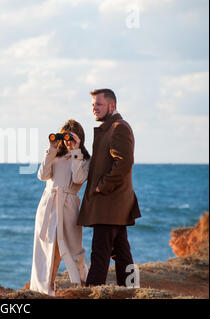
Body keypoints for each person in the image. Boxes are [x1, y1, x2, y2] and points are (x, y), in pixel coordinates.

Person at [78, 88, 141, 287]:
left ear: (111, 106)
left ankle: (92, 292)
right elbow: (100, 163)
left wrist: (100, 187)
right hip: (113, 204)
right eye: (93, 105)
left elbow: (123, 163)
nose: (94, 109)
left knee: (100, 254)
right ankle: (132, 289)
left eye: (98, 104)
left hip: (109, 203)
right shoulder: (108, 127)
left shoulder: (118, 127)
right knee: (122, 253)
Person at [30, 119, 91, 296]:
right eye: (65, 136)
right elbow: (42, 175)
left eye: (71, 137)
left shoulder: (84, 158)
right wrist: (52, 149)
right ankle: (44, 288)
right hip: (48, 203)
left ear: (79, 138)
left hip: (69, 203)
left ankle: (81, 284)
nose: (67, 141)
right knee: (46, 247)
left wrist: (76, 150)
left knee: (74, 248)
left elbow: (79, 179)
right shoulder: (55, 154)